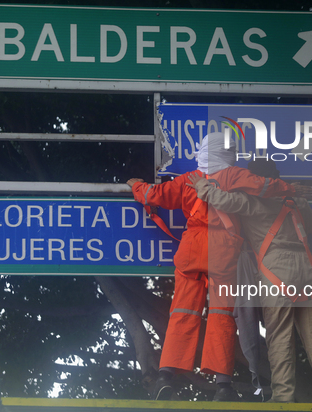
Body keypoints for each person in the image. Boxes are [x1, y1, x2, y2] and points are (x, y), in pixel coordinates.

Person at [126, 133, 296, 401]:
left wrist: (135, 184)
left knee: (182, 310)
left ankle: (165, 376)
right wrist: (291, 189)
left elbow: (154, 195)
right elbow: (264, 187)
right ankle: (223, 386)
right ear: (228, 153)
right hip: (224, 250)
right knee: (221, 315)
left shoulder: (188, 179)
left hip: (191, 249)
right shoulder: (233, 175)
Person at [187, 158, 312, 403]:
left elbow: (220, 199)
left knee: (279, 335)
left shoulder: (252, 202)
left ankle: (283, 395)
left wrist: (201, 185)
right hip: (307, 269)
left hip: (276, 270)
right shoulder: (295, 201)